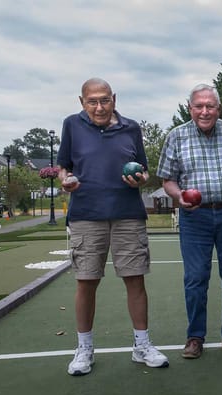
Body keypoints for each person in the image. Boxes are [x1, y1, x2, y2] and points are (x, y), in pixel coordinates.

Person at [57, 77, 168, 376]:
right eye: (92, 101)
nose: (99, 106)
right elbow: (63, 166)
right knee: (86, 281)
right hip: (85, 214)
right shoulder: (71, 125)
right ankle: (84, 349)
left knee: (135, 279)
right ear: (82, 102)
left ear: (114, 99)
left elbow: (143, 169)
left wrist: (141, 179)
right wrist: (65, 180)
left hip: (127, 214)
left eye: (105, 100)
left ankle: (141, 346)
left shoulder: (131, 127)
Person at [157, 84, 222, 359]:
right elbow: (167, 180)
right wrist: (179, 195)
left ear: (218, 109)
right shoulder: (176, 136)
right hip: (194, 217)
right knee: (195, 279)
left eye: (210, 106)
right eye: (199, 106)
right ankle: (195, 337)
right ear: (190, 108)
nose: (204, 111)